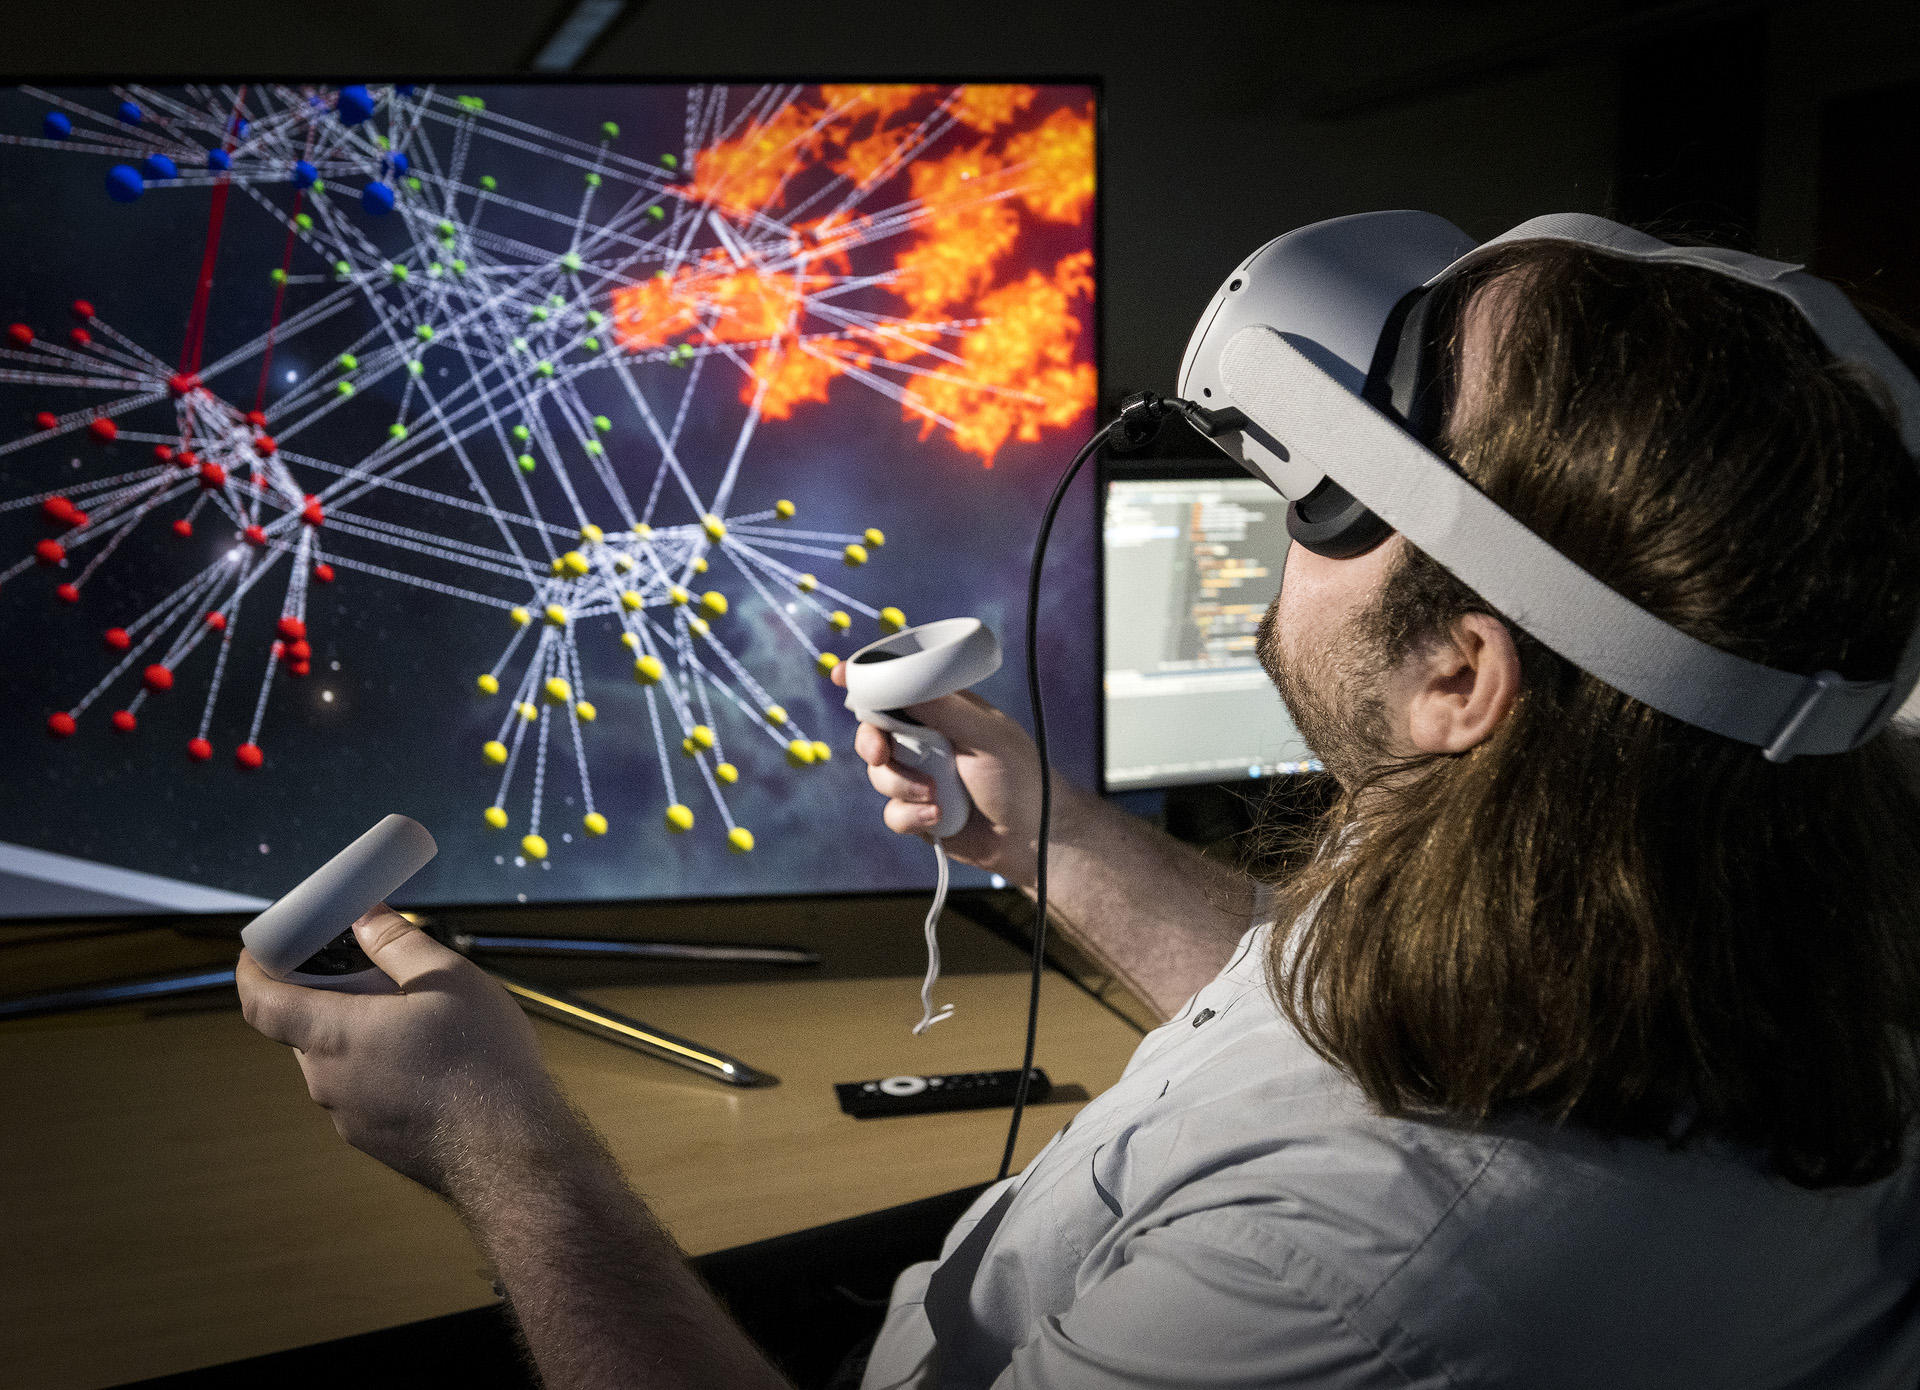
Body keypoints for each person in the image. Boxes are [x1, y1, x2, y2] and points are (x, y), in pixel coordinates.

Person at [239, 229, 1920, 1389]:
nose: (1283, 508)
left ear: (1463, 678)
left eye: (1341, 495)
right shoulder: (1681, 928)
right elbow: (1344, 1026)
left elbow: (1368, 1170)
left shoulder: (1353, 1285)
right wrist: (1044, 833)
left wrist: (502, 1146)